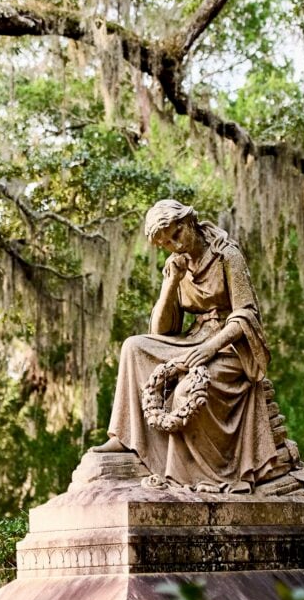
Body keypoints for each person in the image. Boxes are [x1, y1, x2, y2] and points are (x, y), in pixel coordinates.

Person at [92, 199, 279, 490]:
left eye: (176, 235)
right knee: (133, 346)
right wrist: (171, 283)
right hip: (193, 339)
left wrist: (210, 349)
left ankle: (193, 473)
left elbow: (246, 315)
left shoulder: (226, 255)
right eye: (166, 243)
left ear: (189, 221)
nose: (174, 245)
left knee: (185, 391)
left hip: (228, 347)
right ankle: (124, 436)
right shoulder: (178, 267)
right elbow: (161, 330)